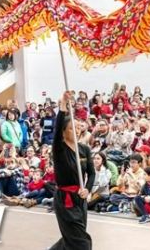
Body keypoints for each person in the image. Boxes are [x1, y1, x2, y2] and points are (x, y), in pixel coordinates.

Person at [49, 91, 95, 250]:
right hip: (65, 199)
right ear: (63, 132)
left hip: (80, 199)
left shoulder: (84, 149)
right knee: (81, 242)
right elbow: (56, 131)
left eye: (77, 127)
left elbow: (92, 173)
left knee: (73, 235)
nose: (76, 130)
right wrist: (63, 106)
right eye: (71, 128)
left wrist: (87, 189)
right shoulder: (59, 148)